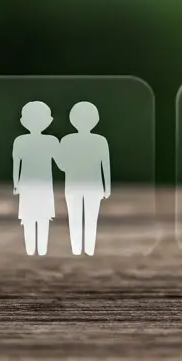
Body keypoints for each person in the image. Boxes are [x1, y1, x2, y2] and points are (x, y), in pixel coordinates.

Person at [56, 101, 110, 256]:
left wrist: (56, 155)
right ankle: (88, 249)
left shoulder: (67, 141)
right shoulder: (100, 141)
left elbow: (63, 167)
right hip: (93, 186)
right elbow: (104, 166)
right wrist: (107, 187)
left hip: (74, 186)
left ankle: (77, 249)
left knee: (75, 217)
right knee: (91, 219)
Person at [12, 101, 59, 256]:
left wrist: (16, 183)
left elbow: (16, 166)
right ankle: (40, 249)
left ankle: (32, 249)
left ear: (23, 121)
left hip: (29, 186)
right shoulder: (51, 141)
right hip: (41, 186)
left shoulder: (20, 141)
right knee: (39, 217)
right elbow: (61, 164)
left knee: (31, 217)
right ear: (49, 121)